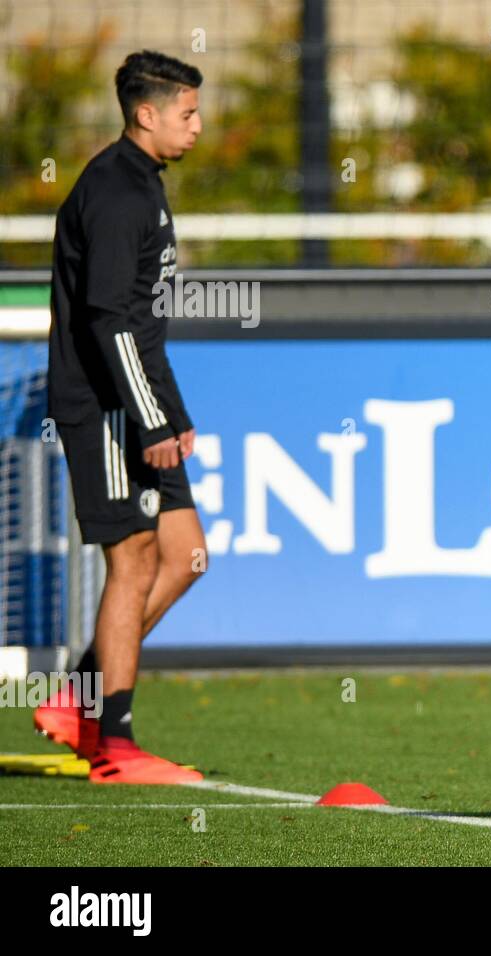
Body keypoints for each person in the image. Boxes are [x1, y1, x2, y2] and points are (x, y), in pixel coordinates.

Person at [37, 50, 207, 785]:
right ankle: (116, 743)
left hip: (138, 403)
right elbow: (109, 321)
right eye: (188, 113)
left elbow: (142, 319)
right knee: (134, 560)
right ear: (147, 113)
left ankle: (79, 699)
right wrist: (149, 421)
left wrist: (175, 413)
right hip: (102, 407)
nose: (198, 125)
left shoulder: (146, 186)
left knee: (187, 556)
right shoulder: (114, 191)